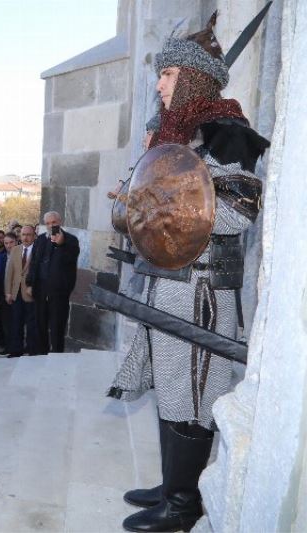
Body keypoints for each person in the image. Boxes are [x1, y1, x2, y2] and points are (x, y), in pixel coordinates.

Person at [109, 15, 270, 532]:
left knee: (193, 395)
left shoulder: (228, 135)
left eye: (169, 73)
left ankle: (184, 506)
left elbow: (235, 214)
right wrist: (142, 195)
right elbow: (127, 212)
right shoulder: (169, 136)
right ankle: (173, 485)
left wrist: (157, 200)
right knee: (170, 388)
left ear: (195, 78)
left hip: (201, 287)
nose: (159, 84)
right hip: (165, 282)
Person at [26, 212, 79, 355]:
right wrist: (30, 284)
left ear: (60, 221)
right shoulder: (41, 240)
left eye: (53, 222)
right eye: (48, 223)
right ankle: (41, 354)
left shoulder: (71, 240)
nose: (51, 225)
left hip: (59, 292)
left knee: (57, 326)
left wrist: (60, 245)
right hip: (40, 289)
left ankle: (57, 356)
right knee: (40, 324)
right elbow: (34, 263)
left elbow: (70, 259)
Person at [5, 225, 39, 358]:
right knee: (16, 322)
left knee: (32, 324)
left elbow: (41, 273)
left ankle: (32, 349)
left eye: (29, 234)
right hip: (16, 292)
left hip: (31, 293)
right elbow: (9, 273)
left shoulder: (38, 250)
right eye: (23, 234)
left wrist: (34, 288)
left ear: (34, 236)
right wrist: (8, 292)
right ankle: (16, 350)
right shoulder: (15, 250)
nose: (25, 237)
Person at [0, 231, 16, 355]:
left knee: (17, 323)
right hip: (4, 295)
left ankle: (17, 347)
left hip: (18, 295)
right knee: (6, 324)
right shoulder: (2, 257)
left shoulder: (23, 256)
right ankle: (9, 347)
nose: (9, 245)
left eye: (11, 242)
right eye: (6, 243)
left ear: (16, 242)